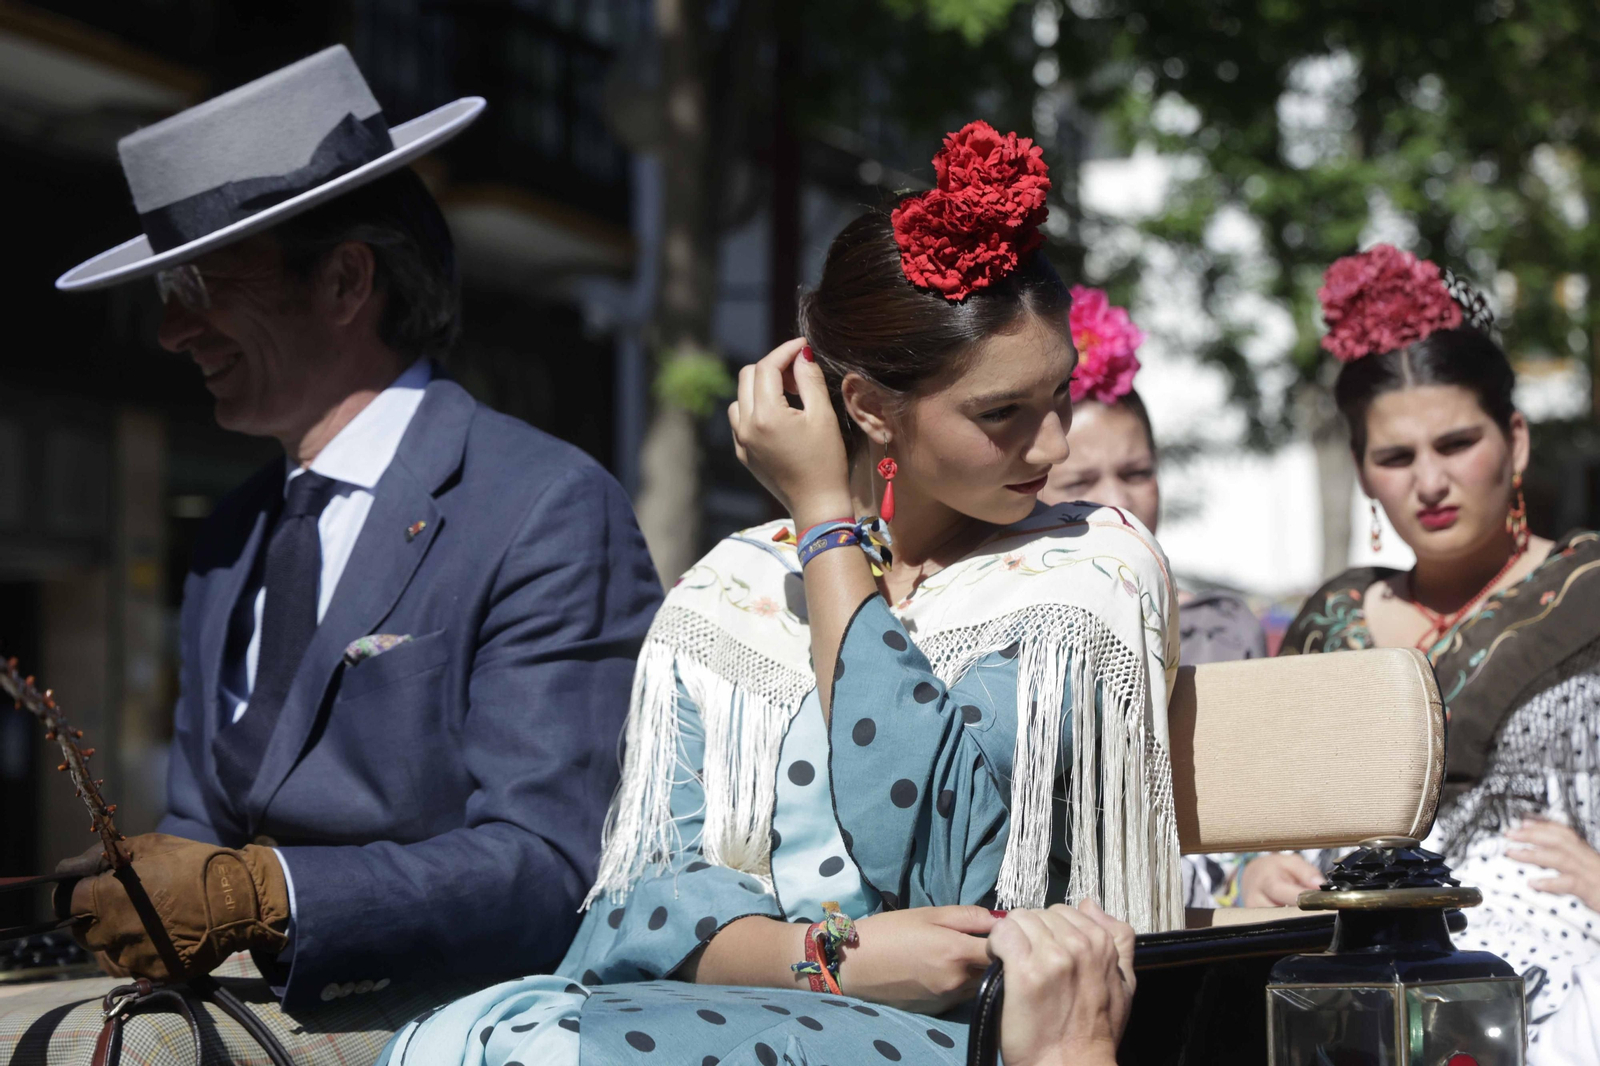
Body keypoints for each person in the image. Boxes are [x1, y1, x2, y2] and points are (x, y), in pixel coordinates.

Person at [380, 121, 1176, 1066]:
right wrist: (829, 957)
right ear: (870, 408)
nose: (1054, 446)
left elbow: (933, 856)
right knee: (464, 1040)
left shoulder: (1088, 566)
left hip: (963, 1037)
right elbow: (643, 898)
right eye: (1002, 412)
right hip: (743, 1007)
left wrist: (824, 520)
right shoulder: (738, 585)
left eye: (1059, 395)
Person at [41, 46, 662, 1009]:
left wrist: (267, 895)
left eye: (199, 288)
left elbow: (555, 865)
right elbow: (203, 831)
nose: (171, 333)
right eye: (167, 296)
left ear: (343, 281)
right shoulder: (232, 535)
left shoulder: (544, 506)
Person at [1280, 243, 1600, 1054]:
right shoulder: (1331, 622)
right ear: (1363, 473)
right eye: (1396, 457)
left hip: (1557, 994)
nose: (1429, 482)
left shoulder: (1590, 599)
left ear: (1515, 442)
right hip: (1334, 986)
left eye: (1456, 443)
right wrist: (1261, 870)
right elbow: (1263, 816)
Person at [1038, 288, 1278, 910]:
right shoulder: (1002, 634)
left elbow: (1257, 811)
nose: (1119, 502)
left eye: (1137, 473)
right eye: (1081, 481)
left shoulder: (1218, 630)